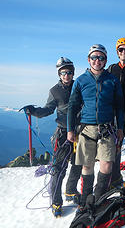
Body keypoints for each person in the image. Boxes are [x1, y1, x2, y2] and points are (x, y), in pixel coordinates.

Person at [67, 44, 124, 211]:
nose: (97, 61)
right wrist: (70, 129)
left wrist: (120, 127)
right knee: (87, 165)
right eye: (94, 57)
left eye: (101, 58)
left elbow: (119, 106)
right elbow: (72, 106)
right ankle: (85, 200)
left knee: (106, 164)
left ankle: (98, 199)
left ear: (105, 60)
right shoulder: (81, 81)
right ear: (88, 59)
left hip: (107, 128)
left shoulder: (112, 80)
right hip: (86, 129)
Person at [23, 57, 82, 217]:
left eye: (69, 72)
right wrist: (33, 111)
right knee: (58, 169)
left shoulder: (79, 86)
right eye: (63, 72)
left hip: (80, 132)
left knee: (78, 164)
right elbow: (48, 109)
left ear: (73, 72)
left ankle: (70, 191)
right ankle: (56, 201)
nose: (67, 75)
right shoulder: (55, 91)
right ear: (59, 74)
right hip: (63, 133)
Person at [107, 38, 125, 188]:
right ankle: (116, 177)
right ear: (117, 52)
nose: (124, 52)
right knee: (115, 147)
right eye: (121, 49)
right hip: (115, 114)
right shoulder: (111, 69)